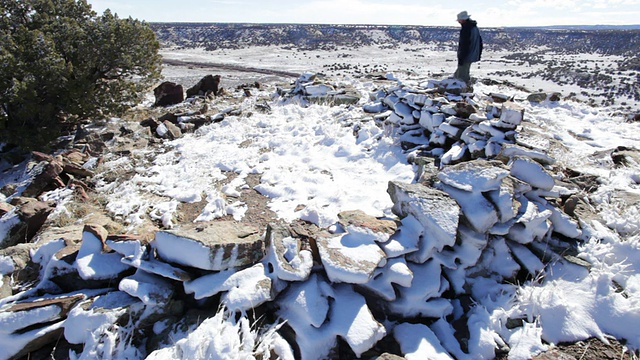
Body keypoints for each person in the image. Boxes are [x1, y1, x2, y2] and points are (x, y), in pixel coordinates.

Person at [454, 11, 483, 84]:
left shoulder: (466, 29)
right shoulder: (474, 27)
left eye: (459, 20)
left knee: (462, 75)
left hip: (467, 55)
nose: (458, 22)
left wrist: (461, 57)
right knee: (462, 71)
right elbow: (480, 42)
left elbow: (464, 45)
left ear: (463, 20)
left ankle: (463, 91)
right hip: (472, 53)